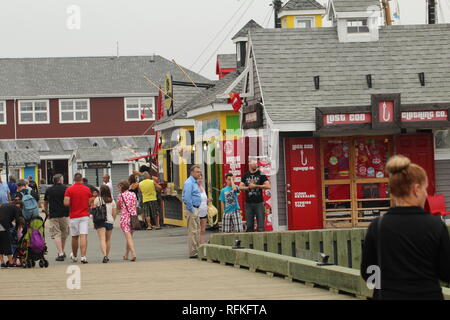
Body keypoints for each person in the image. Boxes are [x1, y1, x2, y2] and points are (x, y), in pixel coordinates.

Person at [361, 155, 450, 300]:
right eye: (425, 189)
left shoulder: (377, 226)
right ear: (416, 189)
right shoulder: (435, 226)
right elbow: (446, 272)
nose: (426, 194)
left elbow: (368, 272)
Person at [64, 173, 93, 264]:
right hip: (84, 215)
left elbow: (66, 202)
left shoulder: (69, 189)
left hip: (74, 215)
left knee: (75, 237)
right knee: (83, 235)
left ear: (74, 180)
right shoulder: (87, 189)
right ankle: (83, 256)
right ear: (81, 180)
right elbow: (90, 202)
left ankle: (75, 256)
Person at [240, 158, 271, 232]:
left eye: (256, 163)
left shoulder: (261, 174)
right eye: (253, 163)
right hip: (248, 203)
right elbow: (240, 187)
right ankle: (250, 243)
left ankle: (262, 242)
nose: (255, 165)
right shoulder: (246, 175)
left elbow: (268, 186)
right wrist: (248, 187)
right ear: (249, 164)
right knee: (249, 226)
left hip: (259, 203)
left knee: (261, 226)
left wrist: (256, 186)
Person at [44, 174, 70, 261]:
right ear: (60, 180)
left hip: (53, 214)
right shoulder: (66, 188)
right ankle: (61, 251)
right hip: (65, 214)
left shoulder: (49, 190)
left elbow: (45, 202)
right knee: (64, 233)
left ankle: (60, 252)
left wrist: (46, 211)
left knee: (56, 234)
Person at [182, 165, 202, 258]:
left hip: (196, 208)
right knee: (193, 231)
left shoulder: (194, 182)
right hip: (192, 209)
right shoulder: (189, 183)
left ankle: (197, 250)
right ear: (192, 172)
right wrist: (192, 209)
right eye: (197, 172)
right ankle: (193, 252)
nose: (199, 173)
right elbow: (187, 198)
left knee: (197, 231)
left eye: (199, 171)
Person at [93, 185, 117, 263]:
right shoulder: (112, 201)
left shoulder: (97, 200)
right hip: (109, 221)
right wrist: (113, 220)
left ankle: (104, 255)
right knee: (108, 240)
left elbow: (94, 212)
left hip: (100, 221)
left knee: (102, 239)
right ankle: (107, 255)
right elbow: (114, 213)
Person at [116, 181, 137, 261]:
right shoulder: (133, 194)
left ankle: (133, 253)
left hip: (125, 217)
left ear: (122, 187)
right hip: (133, 217)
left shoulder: (120, 195)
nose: (118, 188)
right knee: (130, 237)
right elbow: (135, 204)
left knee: (128, 237)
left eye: (119, 186)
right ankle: (126, 254)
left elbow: (118, 207)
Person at [0, 201, 22, 268]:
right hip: (4, 226)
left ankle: (2, 262)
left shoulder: (5, 205)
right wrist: (16, 229)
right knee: (7, 244)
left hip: (2, 224)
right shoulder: (18, 209)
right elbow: (18, 220)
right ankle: (11, 262)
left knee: (0, 244)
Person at [197, 174, 211, 244]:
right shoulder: (195, 188)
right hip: (197, 212)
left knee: (203, 230)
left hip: (204, 211)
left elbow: (204, 199)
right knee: (198, 230)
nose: (200, 180)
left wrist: (208, 200)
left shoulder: (202, 188)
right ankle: (197, 244)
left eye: (201, 179)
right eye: (198, 179)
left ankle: (202, 243)